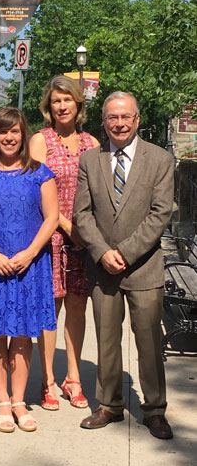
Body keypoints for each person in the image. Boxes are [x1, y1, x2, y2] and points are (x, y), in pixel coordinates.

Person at [74, 92, 174, 440]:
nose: (119, 123)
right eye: (112, 117)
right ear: (103, 121)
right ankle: (109, 405)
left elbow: (160, 214)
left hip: (144, 268)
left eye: (125, 117)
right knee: (106, 340)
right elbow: (81, 214)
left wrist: (125, 253)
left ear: (136, 118)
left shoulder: (160, 159)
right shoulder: (90, 159)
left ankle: (155, 410)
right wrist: (102, 252)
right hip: (103, 270)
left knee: (148, 343)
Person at [0, 107, 58, 433]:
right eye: (3, 132)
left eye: (15, 131)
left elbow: (52, 218)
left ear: (23, 135)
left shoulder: (40, 173)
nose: (9, 137)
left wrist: (30, 253)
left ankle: (19, 400)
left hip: (29, 266)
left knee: (21, 334)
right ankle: (2, 400)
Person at [29, 76, 99, 411]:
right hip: (51, 238)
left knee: (76, 307)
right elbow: (38, 195)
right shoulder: (40, 141)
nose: (61, 106)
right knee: (50, 309)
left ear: (78, 104)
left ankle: (73, 378)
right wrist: (70, 229)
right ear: (49, 106)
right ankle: (47, 381)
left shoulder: (92, 143)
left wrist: (88, 236)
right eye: (56, 101)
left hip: (83, 242)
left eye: (67, 99)